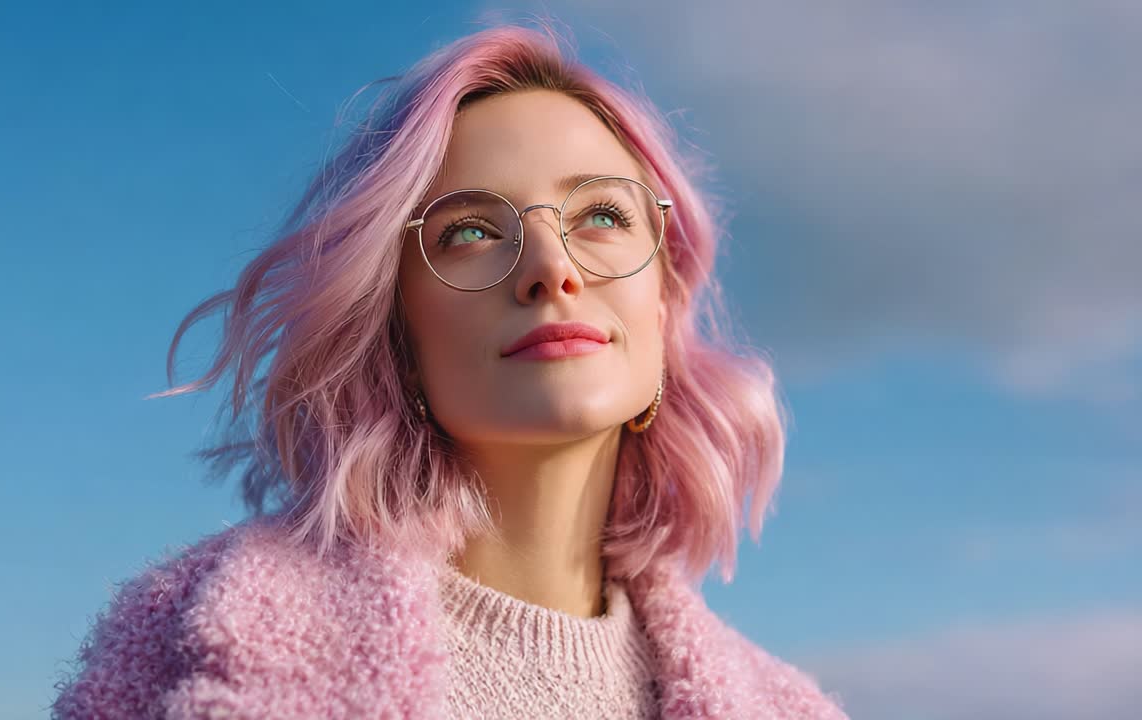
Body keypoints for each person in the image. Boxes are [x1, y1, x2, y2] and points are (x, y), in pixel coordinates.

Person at [50, 19, 849, 720]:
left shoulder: (788, 708)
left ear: (665, 299)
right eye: (470, 231)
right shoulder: (186, 627)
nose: (550, 268)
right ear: (397, 327)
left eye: (601, 215)